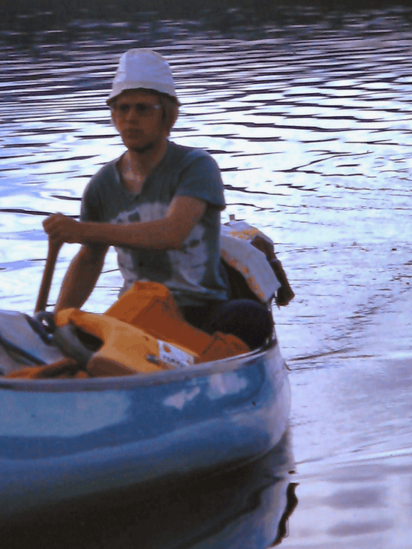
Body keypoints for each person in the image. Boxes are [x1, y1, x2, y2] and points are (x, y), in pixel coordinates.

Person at [43, 48, 273, 349]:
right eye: (122, 109)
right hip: (137, 313)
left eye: (143, 109)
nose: (130, 119)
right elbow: (89, 258)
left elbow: (173, 232)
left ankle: (200, 357)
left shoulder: (196, 166)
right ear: (113, 116)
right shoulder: (101, 186)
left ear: (166, 115)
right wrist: (59, 320)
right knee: (77, 331)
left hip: (201, 310)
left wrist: (82, 230)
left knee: (251, 318)